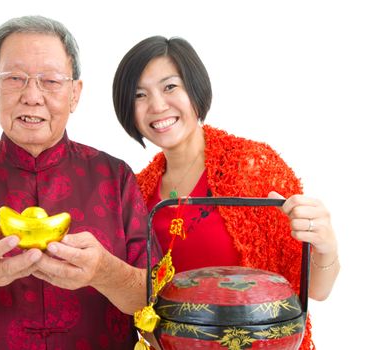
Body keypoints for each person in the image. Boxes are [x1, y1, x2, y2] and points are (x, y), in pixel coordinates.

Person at [0, 16, 160, 350]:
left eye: (50, 80)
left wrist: (104, 271)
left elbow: (158, 300)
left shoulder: (115, 177)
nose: (32, 96)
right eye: (15, 79)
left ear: (75, 94)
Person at [112, 36, 339, 349]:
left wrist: (325, 246)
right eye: (139, 95)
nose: (157, 106)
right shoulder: (137, 192)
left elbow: (316, 289)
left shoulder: (252, 166)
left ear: (195, 88)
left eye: (170, 87)